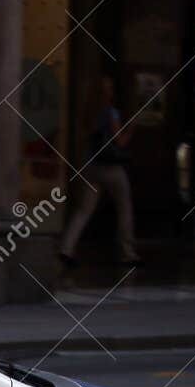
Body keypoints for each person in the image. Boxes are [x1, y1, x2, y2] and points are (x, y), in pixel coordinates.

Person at [58, 76, 141, 270]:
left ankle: (66, 248)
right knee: (124, 207)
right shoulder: (110, 112)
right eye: (109, 88)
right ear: (106, 92)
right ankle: (127, 252)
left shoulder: (89, 112)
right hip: (110, 167)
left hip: (90, 166)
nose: (112, 91)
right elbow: (120, 142)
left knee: (83, 209)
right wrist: (132, 128)